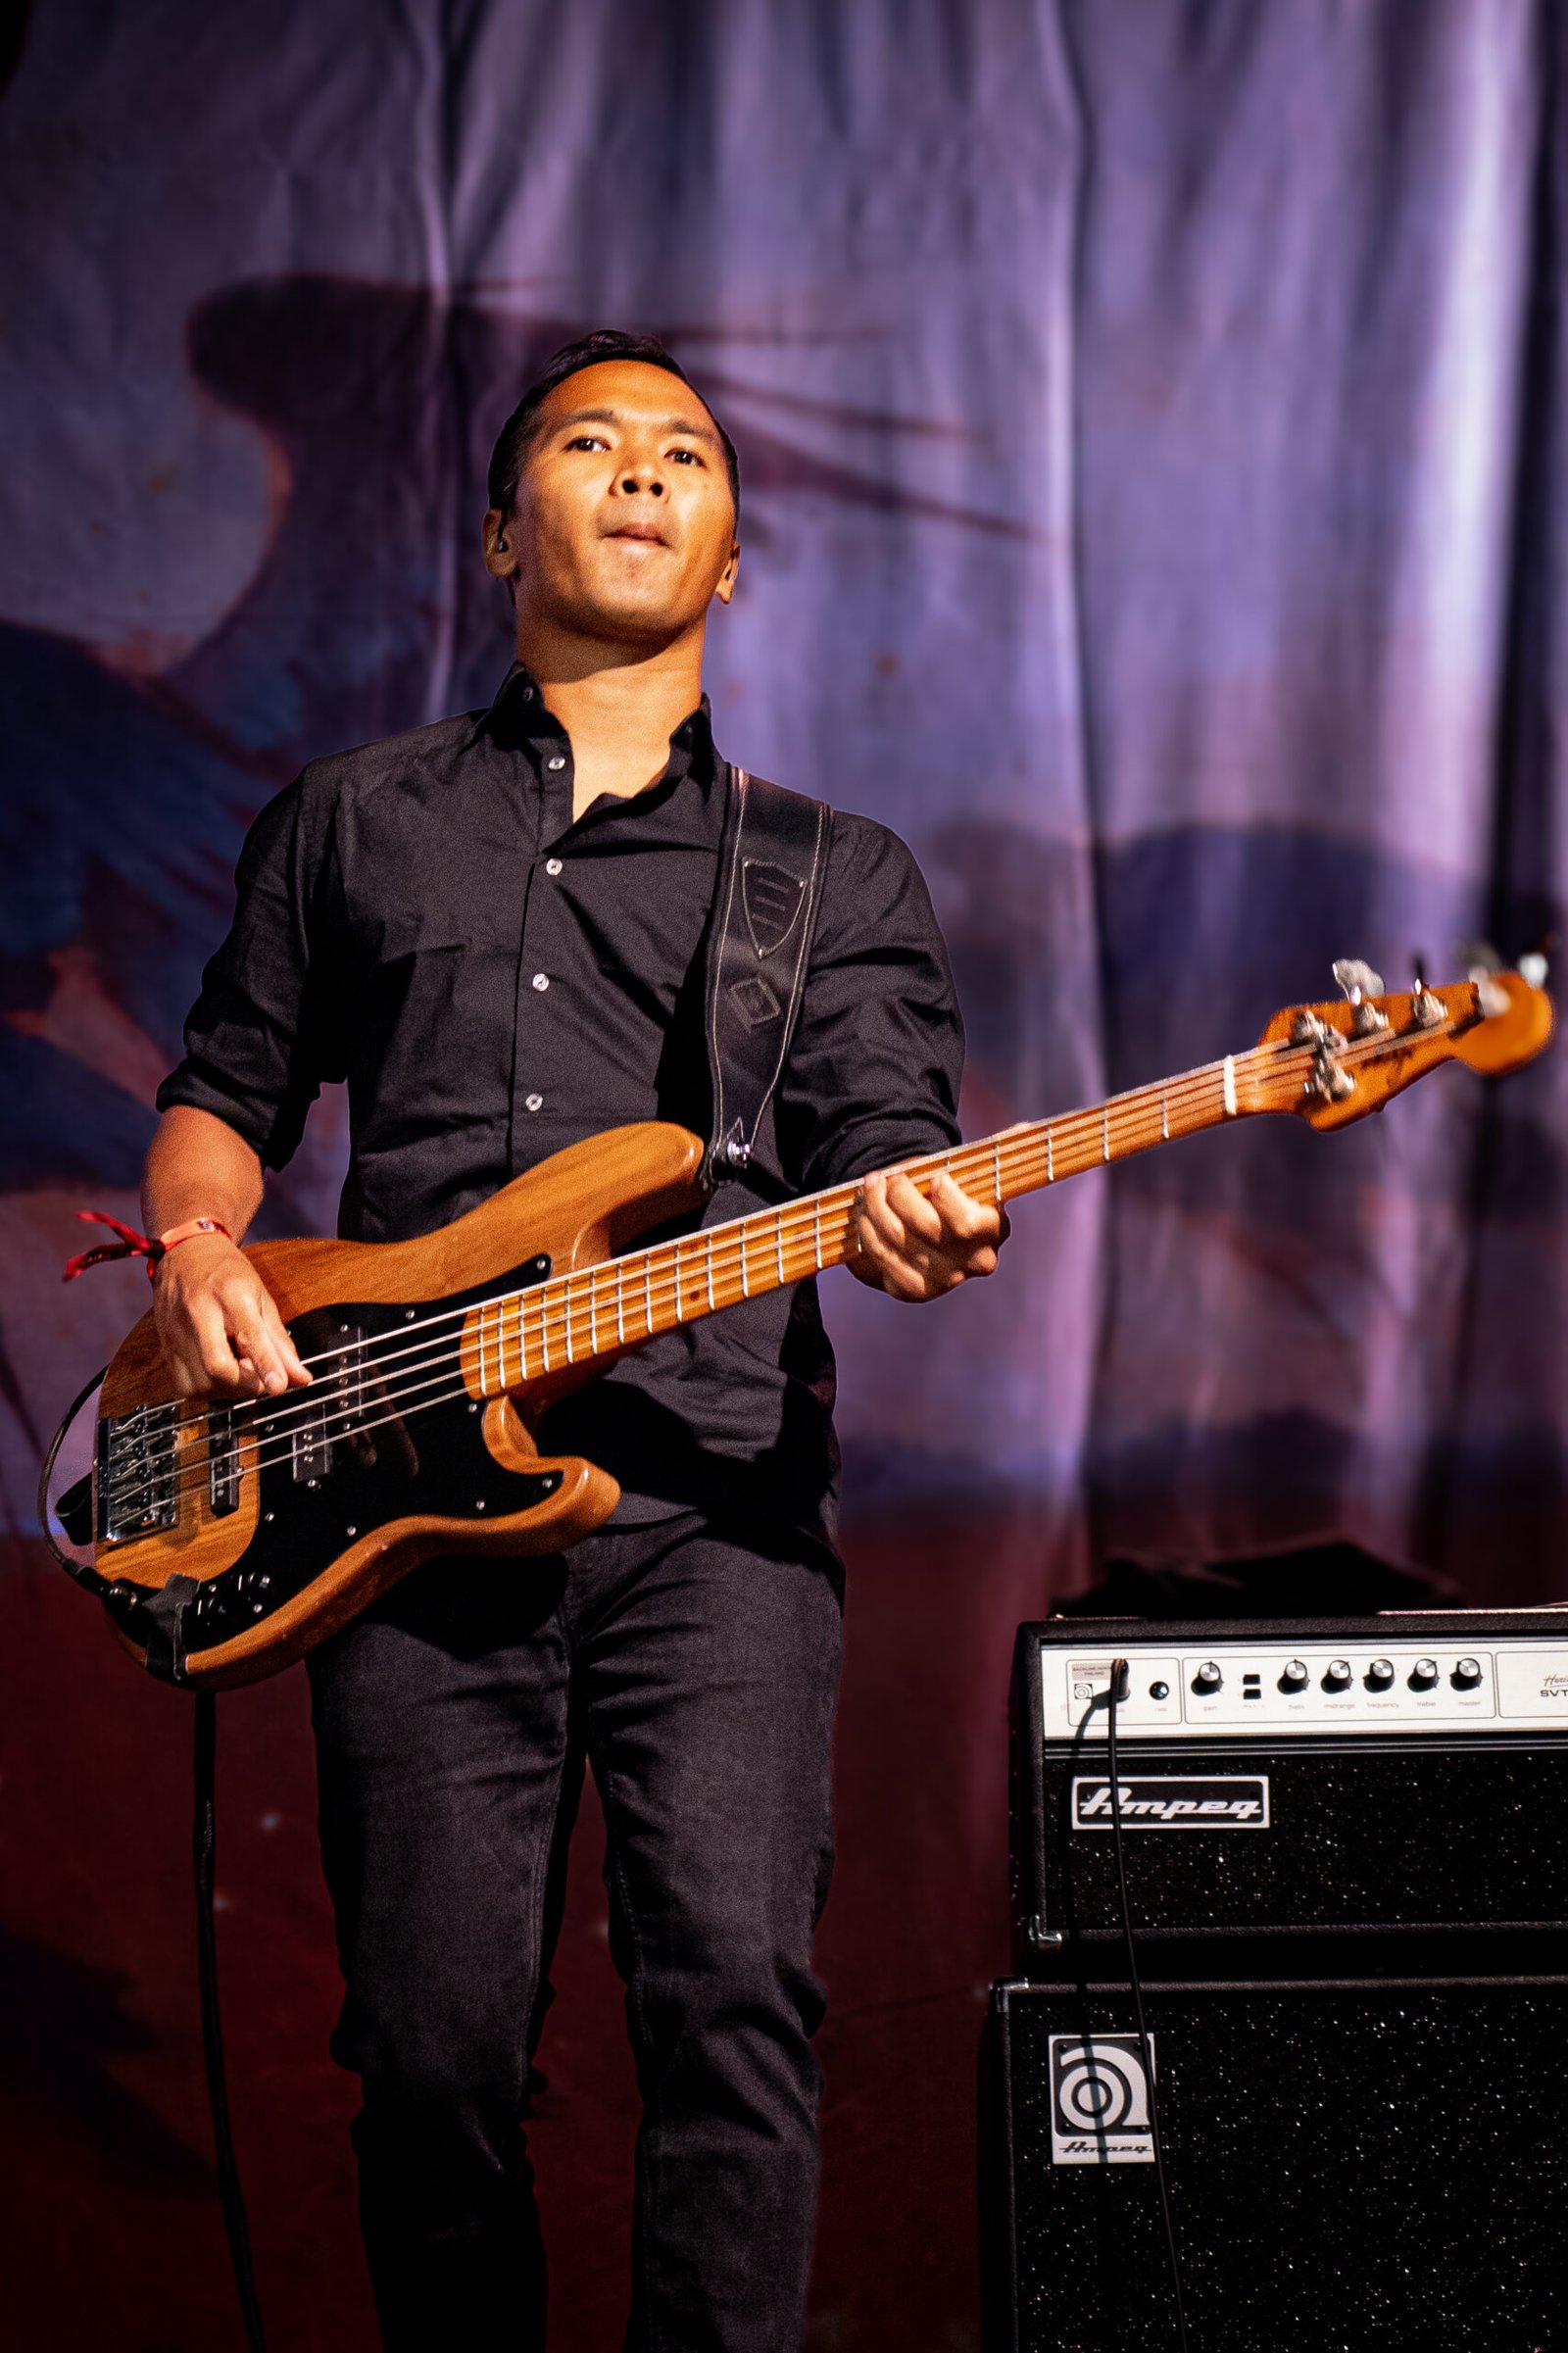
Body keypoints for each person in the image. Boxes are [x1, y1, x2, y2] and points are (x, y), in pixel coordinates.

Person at [142, 330, 1007, 2351]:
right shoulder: (350, 818)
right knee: (430, 2056)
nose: (641, 473)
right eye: (592, 444)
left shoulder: (832, 871)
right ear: (495, 532)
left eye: (685, 455)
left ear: (730, 559)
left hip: (713, 1511)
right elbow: (225, 1092)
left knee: (731, 2003)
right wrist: (195, 1242)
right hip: (395, 1503)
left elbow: (886, 1134)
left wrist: (909, 1210)